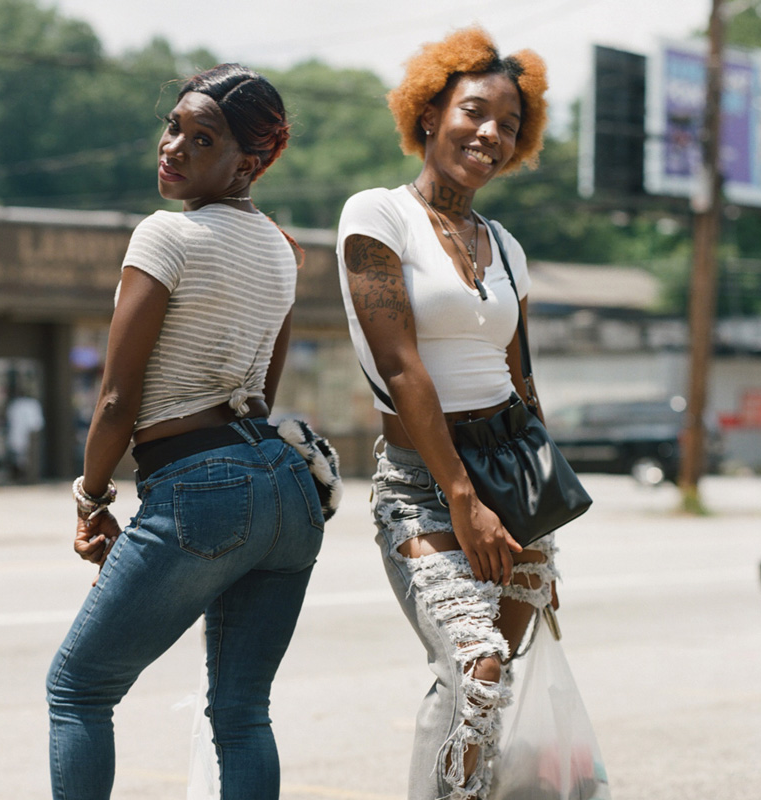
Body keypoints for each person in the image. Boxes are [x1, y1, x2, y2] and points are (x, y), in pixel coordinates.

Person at [45, 64, 325, 800]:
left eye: (202, 140)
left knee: (78, 689)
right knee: (241, 712)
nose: (174, 147)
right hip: (288, 494)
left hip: (200, 489)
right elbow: (261, 395)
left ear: (248, 163)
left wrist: (91, 497)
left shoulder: (165, 235)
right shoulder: (282, 251)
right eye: (175, 127)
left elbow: (116, 399)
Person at [336, 27, 558, 800]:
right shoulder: (376, 217)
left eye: (507, 123)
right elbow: (402, 369)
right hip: (425, 483)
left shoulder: (506, 246)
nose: (489, 133)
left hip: (513, 475)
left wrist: (540, 513)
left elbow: (522, 385)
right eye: (473, 112)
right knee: (479, 667)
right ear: (429, 113)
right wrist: (462, 498)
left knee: (481, 693)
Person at [5, 391, 44, 480]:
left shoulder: (26, 405)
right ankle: (22, 475)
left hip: (28, 437)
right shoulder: (21, 405)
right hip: (22, 436)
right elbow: (37, 423)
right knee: (20, 457)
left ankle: (27, 475)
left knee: (23, 456)